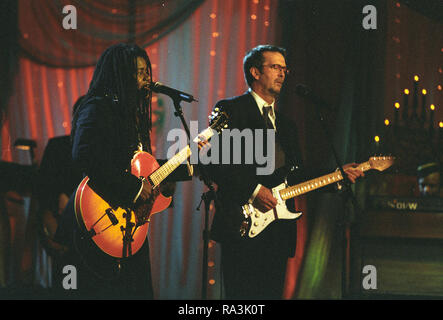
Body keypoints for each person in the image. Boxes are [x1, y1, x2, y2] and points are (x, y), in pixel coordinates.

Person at [205, 44, 364, 299]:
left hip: (278, 234)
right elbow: (212, 160)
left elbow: (295, 176)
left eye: (284, 68)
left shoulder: (287, 125)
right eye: (275, 67)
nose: (282, 73)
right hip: (243, 226)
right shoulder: (232, 110)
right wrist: (254, 190)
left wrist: (335, 175)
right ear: (255, 72)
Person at [54, 43, 174, 299]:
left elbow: (135, 167)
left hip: (127, 226)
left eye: (146, 71)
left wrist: (174, 172)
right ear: (120, 73)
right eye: (139, 72)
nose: (147, 79)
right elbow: (86, 156)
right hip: (98, 224)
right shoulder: (97, 107)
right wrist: (134, 189)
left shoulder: (132, 113)